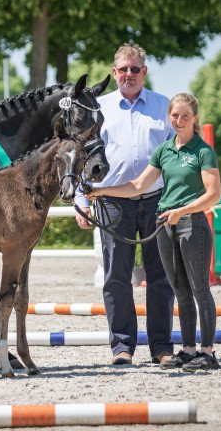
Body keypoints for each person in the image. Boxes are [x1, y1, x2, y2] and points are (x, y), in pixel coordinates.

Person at [87, 92, 221, 372]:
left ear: (195, 118)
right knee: (180, 291)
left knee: (200, 289)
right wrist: (101, 191)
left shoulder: (203, 151)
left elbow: (214, 195)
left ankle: (207, 351)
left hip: (192, 224)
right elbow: (137, 185)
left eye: (185, 115)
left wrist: (182, 212)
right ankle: (186, 350)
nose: (179, 120)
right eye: (175, 115)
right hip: (165, 225)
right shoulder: (164, 150)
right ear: (169, 117)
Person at [74, 43, 175, 367]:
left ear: (144, 72)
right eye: (123, 69)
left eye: (135, 69)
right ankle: (122, 347)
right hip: (112, 200)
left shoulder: (164, 107)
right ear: (114, 73)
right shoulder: (99, 108)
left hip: (158, 200)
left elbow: (178, 154)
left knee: (160, 276)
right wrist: (81, 199)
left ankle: (161, 346)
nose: (128, 75)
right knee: (116, 276)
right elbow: (82, 152)